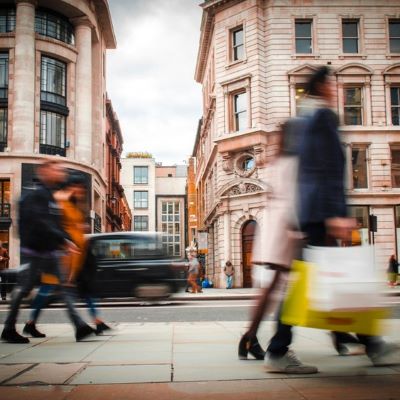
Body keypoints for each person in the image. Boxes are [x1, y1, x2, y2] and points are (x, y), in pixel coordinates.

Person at [264, 66, 398, 374]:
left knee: (320, 281)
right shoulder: (323, 118)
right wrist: (337, 213)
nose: (337, 91)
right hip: (322, 214)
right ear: (323, 87)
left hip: (310, 213)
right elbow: (325, 169)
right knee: (317, 282)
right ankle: (279, 350)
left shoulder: (302, 119)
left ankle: (371, 343)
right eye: (333, 85)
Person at [1, 160, 95, 343]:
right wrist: (64, 240)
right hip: (35, 251)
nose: (61, 172)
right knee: (24, 289)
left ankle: (80, 326)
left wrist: (64, 239)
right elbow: (41, 222)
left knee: (64, 289)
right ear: (44, 171)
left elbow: (55, 223)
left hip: (50, 251)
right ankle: (9, 328)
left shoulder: (51, 195)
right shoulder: (37, 195)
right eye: (56, 169)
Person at [23, 173, 110, 337]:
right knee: (49, 290)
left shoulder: (73, 203)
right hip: (61, 255)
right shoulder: (60, 201)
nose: (82, 192)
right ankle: (78, 326)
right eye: (80, 188)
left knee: (56, 290)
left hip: (76, 255)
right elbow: (54, 227)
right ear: (73, 186)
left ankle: (93, 323)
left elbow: (73, 226)